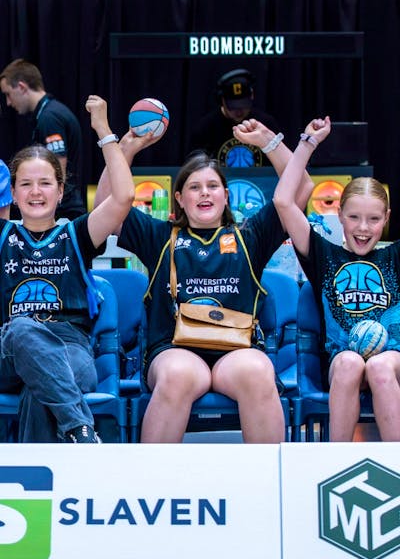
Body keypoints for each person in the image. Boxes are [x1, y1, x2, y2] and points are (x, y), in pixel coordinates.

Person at [94, 116, 313, 444]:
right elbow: (104, 209)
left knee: (258, 372)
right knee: (178, 376)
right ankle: (152, 487)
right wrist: (125, 148)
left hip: (235, 351)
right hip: (174, 349)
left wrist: (269, 141)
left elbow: (302, 189)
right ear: (179, 199)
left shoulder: (251, 235)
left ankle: (266, 487)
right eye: (194, 187)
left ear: (226, 196)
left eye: (212, 186)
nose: (204, 193)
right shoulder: (159, 236)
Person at [0, 96, 134, 443]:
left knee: (40, 390)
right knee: (20, 328)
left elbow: (122, 198)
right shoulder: (3, 235)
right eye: (25, 184)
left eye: (45, 183)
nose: (35, 192)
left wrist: (104, 130)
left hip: (69, 347)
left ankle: (48, 482)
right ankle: (80, 429)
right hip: (10, 348)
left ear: (61, 191)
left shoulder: (75, 233)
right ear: (12, 193)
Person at [273, 116, 400, 442]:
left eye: (373, 219)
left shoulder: (395, 256)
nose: (363, 228)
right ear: (339, 214)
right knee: (349, 363)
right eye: (354, 217)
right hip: (342, 360)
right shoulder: (325, 256)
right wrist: (308, 143)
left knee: (380, 368)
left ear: (386, 219)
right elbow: (283, 201)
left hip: (393, 359)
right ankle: (334, 466)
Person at [0, 59, 85, 220]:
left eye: (8, 94)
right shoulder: (51, 113)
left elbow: (58, 169)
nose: (8, 102)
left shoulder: (49, 118)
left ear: (22, 87)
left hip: (63, 212)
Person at [188, 69, 280, 167]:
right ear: (221, 100)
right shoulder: (205, 129)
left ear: (252, 96)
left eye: (243, 105)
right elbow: (195, 169)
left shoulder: (266, 124)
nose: (239, 111)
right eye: (233, 106)